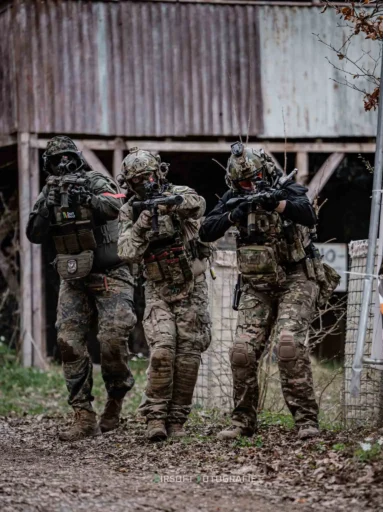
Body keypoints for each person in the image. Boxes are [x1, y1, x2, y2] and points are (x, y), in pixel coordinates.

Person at [199, 142, 339, 440]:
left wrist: (276, 203)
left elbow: (308, 214)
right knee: (241, 352)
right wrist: (234, 214)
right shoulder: (233, 198)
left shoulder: (286, 189)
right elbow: (206, 231)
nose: (250, 186)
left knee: (288, 345)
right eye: (243, 183)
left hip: (296, 278)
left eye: (255, 180)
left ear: (266, 173)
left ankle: (306, 420)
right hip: (256, 285)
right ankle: (242, 421)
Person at [26, 136, 136, 441]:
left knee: (112, 341)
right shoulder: (49, 192)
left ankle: (116, 397)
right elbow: (33, 234)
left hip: (111, 273)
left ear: (77, 159)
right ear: (48, 165)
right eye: (56, 159)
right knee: (68, 342)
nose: (63, 164)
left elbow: (115, 206)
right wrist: (47, 206)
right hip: (74, 278)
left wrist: (86, 196)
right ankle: (83, 414)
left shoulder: (95, 180)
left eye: (68, 157)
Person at [117, 148, 211, 441]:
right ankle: (155, 417)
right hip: (158, 288)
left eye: (148, 176)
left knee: (188, 355)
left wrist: (172, 205)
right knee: (162, 349)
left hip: (191, 287)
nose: (145, 183)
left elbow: (199, 204)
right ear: (130, 183)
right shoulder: (130, 210)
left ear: (158, 173)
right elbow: (125, 252)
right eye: (137, 180)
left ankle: (177, 419)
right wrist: (141, 226)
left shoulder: (177, 193)